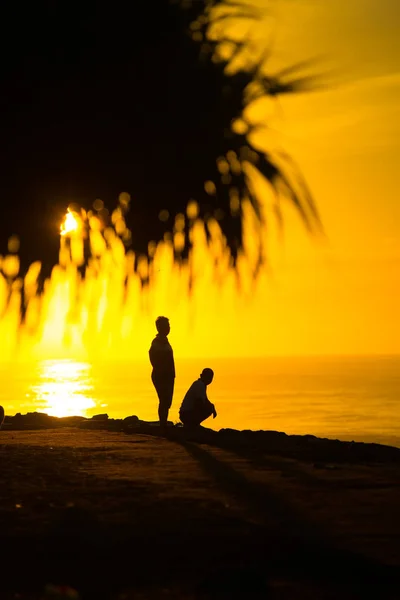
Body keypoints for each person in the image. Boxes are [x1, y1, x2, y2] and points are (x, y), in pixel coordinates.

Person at [149, 316, 175, 427]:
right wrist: (162, 370)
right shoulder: (157, 342)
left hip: (168, 376)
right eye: (167, 326)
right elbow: (153, 358)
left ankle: (163, 422)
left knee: (167, 401)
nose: (169, 328)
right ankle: (163, 424)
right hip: (162, 376)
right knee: (164, 400)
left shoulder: (164, 341)